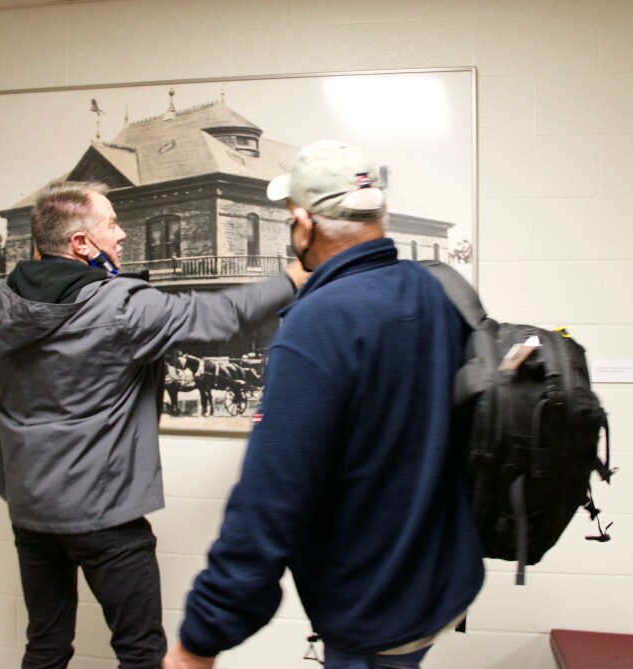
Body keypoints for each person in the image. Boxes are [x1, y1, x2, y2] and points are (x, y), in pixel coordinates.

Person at [162, 141, 484, 669]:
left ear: (303, 223)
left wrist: (201, 638)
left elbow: (268, 501)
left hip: (375, 606)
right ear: (376, 213)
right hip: (439, 580)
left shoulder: (318, 324)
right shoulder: (431, 290)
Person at [0, 181, 306, 669]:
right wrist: (296, 277)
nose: (124, 233)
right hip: (104, 515)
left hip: (31, 508)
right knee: (140, 653)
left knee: (45, 645)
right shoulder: (121, 306)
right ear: (81, 244)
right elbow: (223, 314)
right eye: (112, 223)